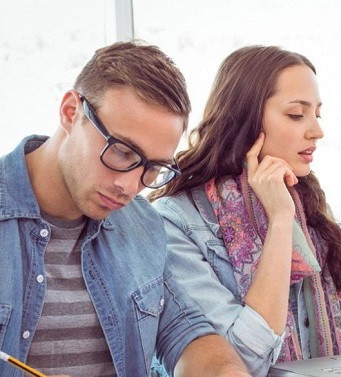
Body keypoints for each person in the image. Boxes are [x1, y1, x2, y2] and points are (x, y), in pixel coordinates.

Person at [0, 41, 250, 376]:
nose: (131, 187)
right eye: (121, 152)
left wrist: (224, 370)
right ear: (71, 112)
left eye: (153, 168)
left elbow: (185, 330)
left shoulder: (142, 223)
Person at [148, 45, 341, 377]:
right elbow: (239, 363)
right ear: (246, 118)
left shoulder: (309, 204)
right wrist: (280, 222)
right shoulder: (177, 219)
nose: (317, 130)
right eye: (297, 114)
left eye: (318, 113)